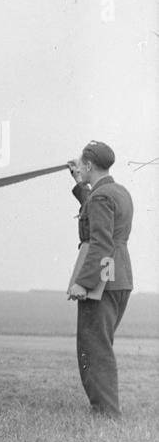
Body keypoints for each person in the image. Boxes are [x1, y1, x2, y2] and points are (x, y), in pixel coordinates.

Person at [67, 141, 132, 419]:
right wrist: (79, 184)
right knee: (101, 343)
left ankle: (106, 414)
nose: (79, 168)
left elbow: (101, 243)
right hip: (120, 277)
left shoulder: (101, 197)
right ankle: (106, 410)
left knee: (94, 348)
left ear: (90, 165)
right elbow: (94, 210)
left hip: (104, 279)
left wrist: (85, 282)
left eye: (81, 165)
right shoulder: (116, 192)